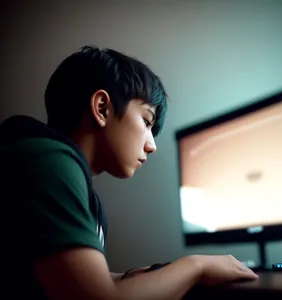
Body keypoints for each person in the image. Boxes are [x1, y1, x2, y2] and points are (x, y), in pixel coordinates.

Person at [0, 45, 258, 300]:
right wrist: (195, 266)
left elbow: (72, 280)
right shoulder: (47, 161)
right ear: (102, 108)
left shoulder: (89, 200)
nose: (152, 145)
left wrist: (126, 277)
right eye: (146, 122)